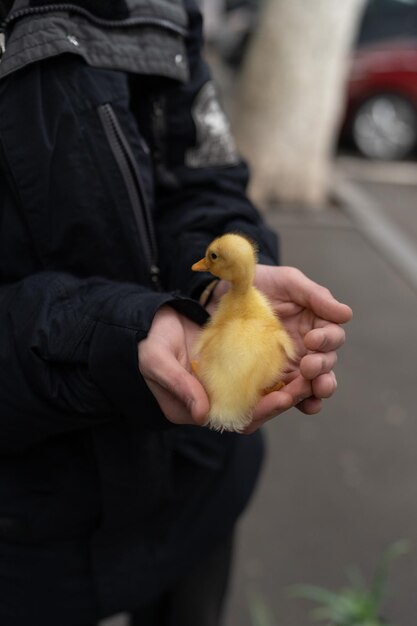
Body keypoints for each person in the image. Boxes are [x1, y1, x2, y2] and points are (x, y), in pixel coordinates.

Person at [0, 0, 352, 624]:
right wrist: (110, 341)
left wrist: (214, 289)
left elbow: (204, 182)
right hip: (24, 550)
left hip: (191, 494)